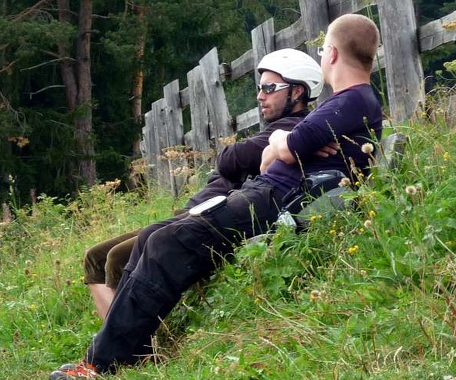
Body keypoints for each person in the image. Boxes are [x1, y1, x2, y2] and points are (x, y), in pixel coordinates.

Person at [49, 13, 382, 380]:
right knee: (156, 237)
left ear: (332, 54)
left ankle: (102, 362)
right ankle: (118, 354)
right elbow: (277, 150)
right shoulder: (345, 103)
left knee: (167, 242)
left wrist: (284, 144)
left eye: (323, 49)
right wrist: (282, 144)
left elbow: (286, 149)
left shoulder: (350, 101)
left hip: (277, 198)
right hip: (267, 192)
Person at [83, 48, 324, 320]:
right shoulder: (274, 132)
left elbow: (232, 159)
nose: (260, 96)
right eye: (260, 88)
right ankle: (113, 342)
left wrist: (230, 157)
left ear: (298, 92)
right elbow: (233, 161)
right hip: (194, 212)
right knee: (95, 257)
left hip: (206, 219)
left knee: (117, 258)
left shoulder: (291, 130)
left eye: (269, 88)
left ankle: (127, 348)